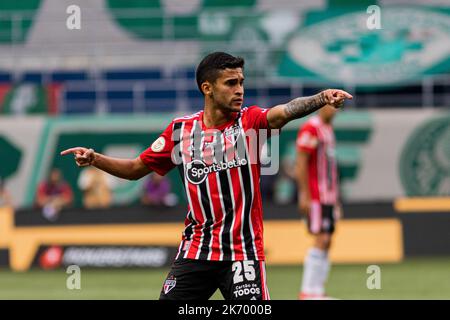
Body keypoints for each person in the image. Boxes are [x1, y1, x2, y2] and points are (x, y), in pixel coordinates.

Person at [61, 52, 352, 300]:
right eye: (231, 83)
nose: (240, 90)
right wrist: (95, 158)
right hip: (196, 252)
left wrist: (321, 97)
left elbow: (284, 112)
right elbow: (136, 169)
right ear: (207, 88)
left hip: (243, 253)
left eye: (241, 83)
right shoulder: (181, 131)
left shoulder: (250, 122)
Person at [296, 104, 343, 300]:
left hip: (329, 196)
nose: (333, 111)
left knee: (328, 239)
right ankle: (308, 292)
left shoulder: (328, 129)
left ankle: (317, 290)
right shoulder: (311, 128)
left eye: (336, 108)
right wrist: (304, 194)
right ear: (321, 108)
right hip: (316, 195)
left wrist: (336, 199)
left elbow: (330, 167)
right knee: (320, 238)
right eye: (330, 107)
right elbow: (301, 162)